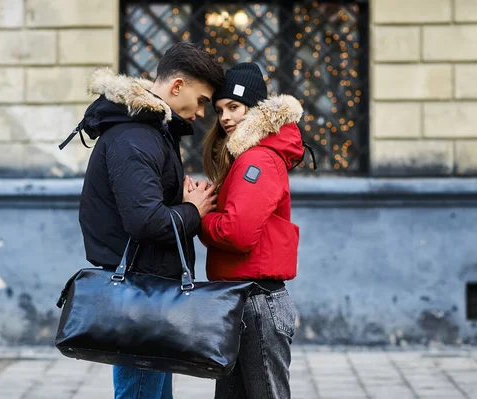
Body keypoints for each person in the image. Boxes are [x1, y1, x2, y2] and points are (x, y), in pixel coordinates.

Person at [63, 42, 224, 399]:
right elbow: (145, 221)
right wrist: (193, 211)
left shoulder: (151, 129)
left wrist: (180, 201)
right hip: (141, 293)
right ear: (177, 85)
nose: (202, 113)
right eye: (201, 101)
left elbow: (147, 206)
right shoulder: (135, 134)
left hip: (150, 290)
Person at [199, 63, 308, 399]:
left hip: (257, 303)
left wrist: (198, 215)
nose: (225, 118)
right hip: (244, 300)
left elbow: (237, 233)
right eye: (219, 110)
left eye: (234, 107)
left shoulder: (257, 160)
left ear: (256, 109)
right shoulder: (249, 157)